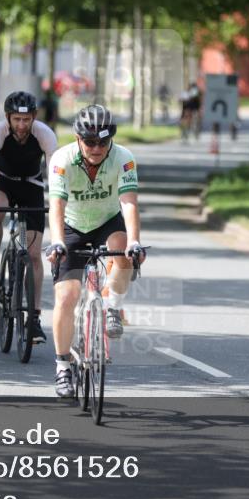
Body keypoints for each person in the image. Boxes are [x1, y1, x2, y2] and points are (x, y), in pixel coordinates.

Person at [45, 104, 146, 398]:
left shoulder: (124, 158)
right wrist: (58, 241)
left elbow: (129, 202)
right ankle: (63, 366)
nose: (97, 148)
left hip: (107, 221)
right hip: (72, 226)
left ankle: (112, 306)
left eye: (103, 142)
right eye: (90, 142)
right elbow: (57, 205)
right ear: (78, 139)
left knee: (124, 253)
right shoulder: (61, 159)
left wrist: (134, 242)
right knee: (66, 297)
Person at [0, 90, 58, 344]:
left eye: (26, 120)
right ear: (8, 118)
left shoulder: (45, 134)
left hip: (32, 186)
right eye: (17, 119)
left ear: (34, 117)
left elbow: (55, 177)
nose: (22, 125)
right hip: (4, 183)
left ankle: (34, 319)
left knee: (34, 255)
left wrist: (57, 208)